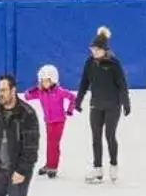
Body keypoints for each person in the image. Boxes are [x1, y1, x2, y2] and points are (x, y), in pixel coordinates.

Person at [73, 26, 130, 183]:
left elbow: (122, 84)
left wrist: (125, 102)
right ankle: (97, 168)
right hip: (96, 105)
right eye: (92, 49)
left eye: (97, 49)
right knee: (95, 137)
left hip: (113, 105)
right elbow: (84, 83)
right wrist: (78, 101)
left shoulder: (114, 63)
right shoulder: (90, 63)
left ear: (104, 49)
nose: (94, 52)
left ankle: (113, 165)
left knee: (110, 136)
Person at [22, 65, 77, 179]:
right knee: (49, 142)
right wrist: (35, 89)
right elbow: (27, 96)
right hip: (49, 121)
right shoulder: (40, 92)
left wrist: (70, 110)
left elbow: (73, 97)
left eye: (47, 81)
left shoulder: (59, 91)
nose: (44, 83)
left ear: (53, 80)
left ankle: (53, 166)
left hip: (59, 121)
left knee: (54, 143)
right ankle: (48, 164)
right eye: (42, 81)